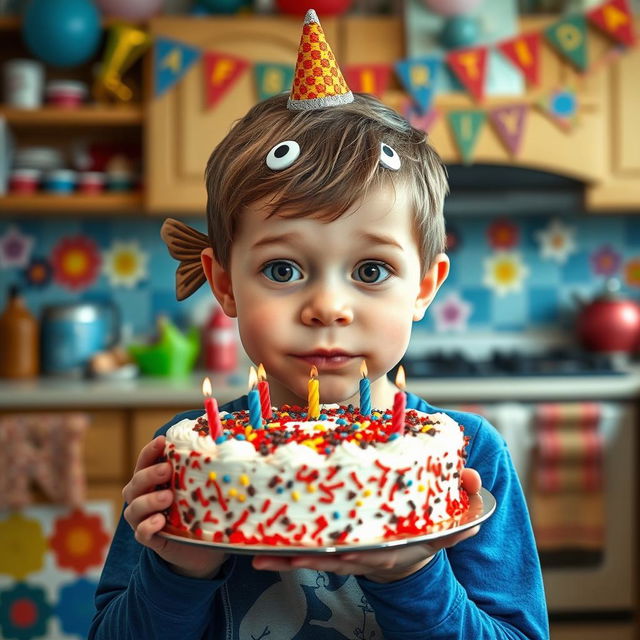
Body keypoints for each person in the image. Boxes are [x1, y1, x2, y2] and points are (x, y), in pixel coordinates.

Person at [90, 10, 548, 640]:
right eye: (282, 269)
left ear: (424, 286)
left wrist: (411, 576)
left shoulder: (465, 457)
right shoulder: (189, 458)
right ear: (223, 282)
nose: (327, 307)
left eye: (369, 269)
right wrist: (180, 570)